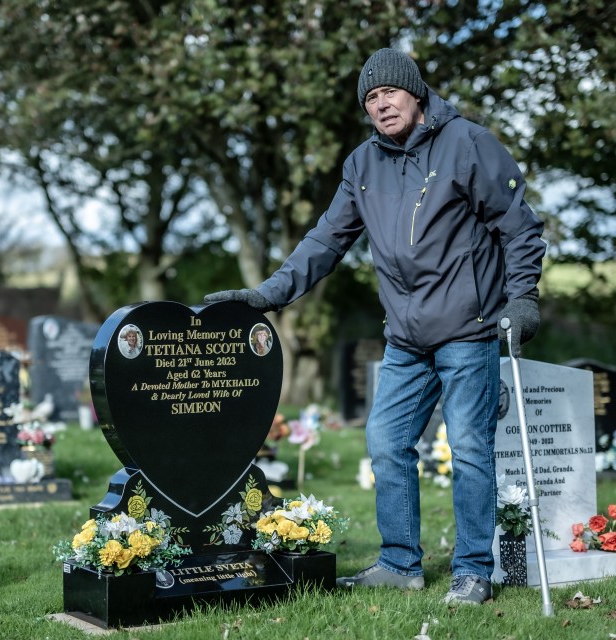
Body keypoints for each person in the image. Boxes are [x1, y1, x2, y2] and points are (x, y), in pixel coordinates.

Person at [206, 48, 545, 605]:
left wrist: (523, 296)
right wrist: (269, 294)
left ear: (414, 92)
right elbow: (325, 241)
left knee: (469, 448)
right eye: (370, 97)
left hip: (469, 328)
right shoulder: (362, 165)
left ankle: (473, 570)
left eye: (389, 92)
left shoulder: (468, 143)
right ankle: (400, 563)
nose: (381, 103)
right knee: (386, 443)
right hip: (406, 339)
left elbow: (519, 227)